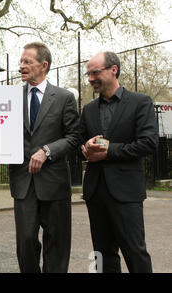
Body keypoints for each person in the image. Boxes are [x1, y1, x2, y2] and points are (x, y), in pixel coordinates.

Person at [80, 51, 158, 273]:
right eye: (88, 74)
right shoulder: (89, 109)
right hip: (95, 192)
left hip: (126, 192)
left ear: (113, 70)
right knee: (102, 254)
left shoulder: (140, 103)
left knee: (135, 251)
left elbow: (148, 143)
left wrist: (108, 151)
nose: (90, 78)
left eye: (95, 72)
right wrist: (85, 148)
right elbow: (79, 143)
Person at [9, 42, 80, 273]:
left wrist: (47, 151)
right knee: (26, 242)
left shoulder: (64, 97)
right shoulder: (10, 97)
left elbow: (73, 137)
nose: (21, 66)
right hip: (23, 182)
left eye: (27, 61)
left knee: (57, 244)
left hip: (54, 182)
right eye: (21, 61)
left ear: (44, 65)